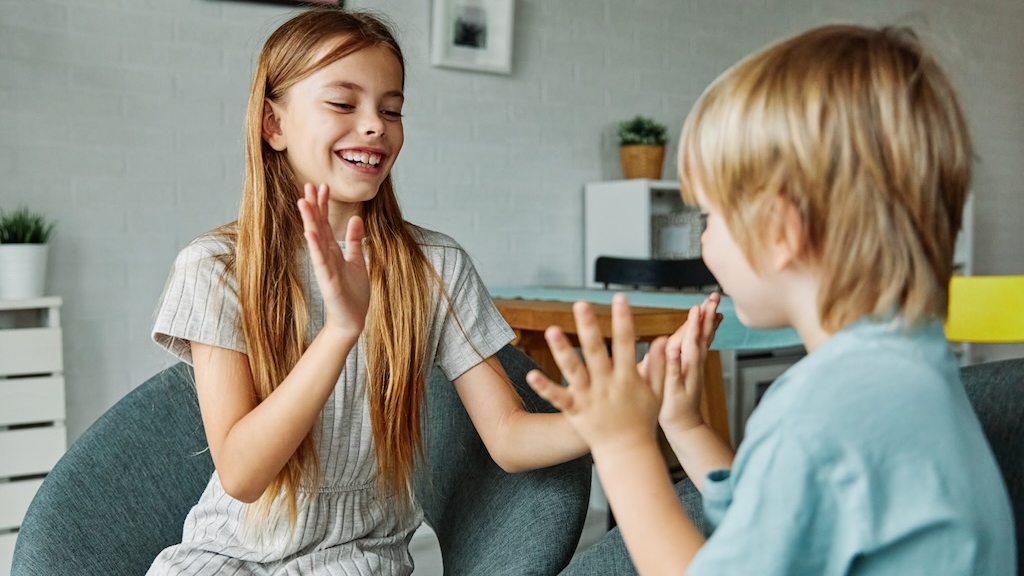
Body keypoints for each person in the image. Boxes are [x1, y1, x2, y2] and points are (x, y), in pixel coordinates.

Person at [530, 24, 1016, 575]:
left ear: (782, 232)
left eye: (709, 218)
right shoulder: (902, 370)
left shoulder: (826, 409)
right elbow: (769, 526)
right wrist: (684, 424)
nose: (704, 240)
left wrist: (621, 446)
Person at [146, 7, 586, 575]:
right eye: (342, 103)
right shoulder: (217, 267)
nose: (376, 125)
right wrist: (339, 332)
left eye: (392, 109)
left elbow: (506, 436)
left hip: (360, 561)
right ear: (272, 124)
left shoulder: (434, 266)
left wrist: (610, 419)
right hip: (225, 557)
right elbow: (241, 474)